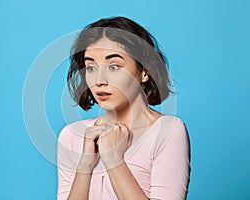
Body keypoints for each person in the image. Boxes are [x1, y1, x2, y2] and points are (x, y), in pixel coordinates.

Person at [57, 16, 190, 200]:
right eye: (91, 68)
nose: (99, 81)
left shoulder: (168, 131)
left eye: (114, 66)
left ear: (144, 71)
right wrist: (85, 166)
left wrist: (113, 159)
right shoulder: (72, 136)